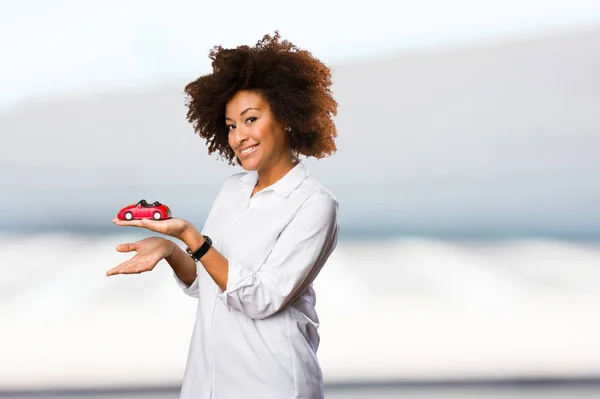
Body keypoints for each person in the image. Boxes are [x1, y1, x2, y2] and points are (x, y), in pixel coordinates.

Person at [107, 32, 339, 399]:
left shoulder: (314, 204)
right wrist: (171, 251)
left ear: (288, 118)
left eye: (250, 119)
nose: (238, 136)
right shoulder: (233, 188)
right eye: (231, 125)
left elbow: (262, 298)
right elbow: (209, 283)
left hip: (272, 382)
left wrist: (191, 237)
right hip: (208, 380)